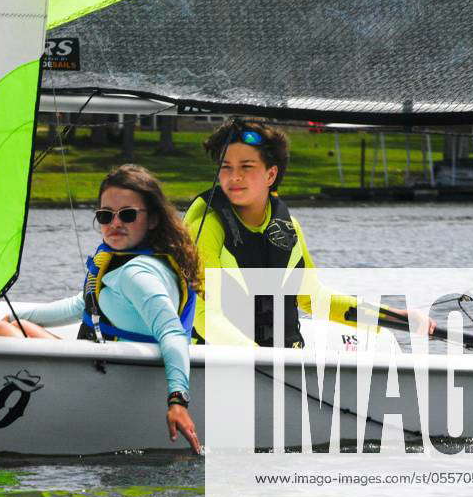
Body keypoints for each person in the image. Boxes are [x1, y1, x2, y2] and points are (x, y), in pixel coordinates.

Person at [0, 164, 202, 454]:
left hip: (111, 382)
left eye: (127, 215)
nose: (115, 223)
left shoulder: (138, 274)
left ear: (152, 220)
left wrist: (177, 401)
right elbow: (82, 304)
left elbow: (172, 333)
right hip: (96, 371)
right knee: (12, 326)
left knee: (0, 332)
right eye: (105, 215)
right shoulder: (122, 260)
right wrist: (18, 316)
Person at [184, 117, 433, 348]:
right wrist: (254, 355)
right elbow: (201, 310)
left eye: (246, 166)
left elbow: (313, 299)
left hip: (279, 362)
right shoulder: (207, 224)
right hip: (216, 361)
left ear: (271, 174)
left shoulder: (287, 227)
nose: (233, 177)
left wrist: (393, 316)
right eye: (226, 167)